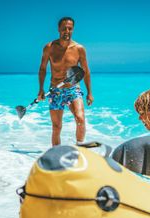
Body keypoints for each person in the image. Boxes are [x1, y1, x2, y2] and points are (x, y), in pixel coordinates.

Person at [37, 17, 93, 146]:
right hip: (55, 91)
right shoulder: (49, 47)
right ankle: (56, 156)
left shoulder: (79, 49)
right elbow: (42, 69)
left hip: (73, 89)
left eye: (70, 28)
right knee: (56, 127)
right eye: (64, 29)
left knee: (80, 119)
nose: (67, 31)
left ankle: (80, 149)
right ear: (59, 29)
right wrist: (41, 89)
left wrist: (90, 92)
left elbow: (85, 71)